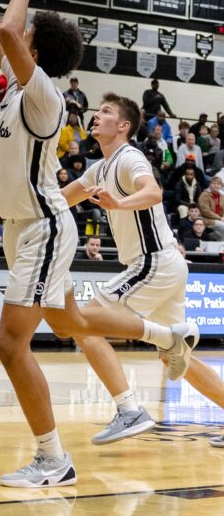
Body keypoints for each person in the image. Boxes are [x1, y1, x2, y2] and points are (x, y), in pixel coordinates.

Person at [0, 0, 197, 487]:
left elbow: (7, 33)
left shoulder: (42, 94)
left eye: (25, 40)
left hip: (43, 224)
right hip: (27, 226)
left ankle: (52, 459)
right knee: (69, 320)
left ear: (37, 51)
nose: (14, 40)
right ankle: (165, 337)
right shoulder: (18, 85)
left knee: (10, 345)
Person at [63, 93, 223, 448]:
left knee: (84, 322)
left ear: (123, 126)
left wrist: (119, 203)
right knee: (176, 360)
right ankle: (172, 341)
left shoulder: (129, 158)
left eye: (105, 112)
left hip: (153, 263)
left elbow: (153, 190)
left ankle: (130, 411)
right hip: (166, 265)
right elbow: (63, 199)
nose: (96, 115)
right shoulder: (99, 167)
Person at [197, 175, 224, 241]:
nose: (216, 185)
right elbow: (206, 211)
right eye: (214, 183)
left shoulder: (222, 196)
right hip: (207, 219)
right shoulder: (204, 195)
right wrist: (220, 218)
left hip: (220, 219)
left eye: (218, 184)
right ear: (210, 184)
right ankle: (211, 237)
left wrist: (223, 217)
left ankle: (216, 241)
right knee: (223, 226)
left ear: (221, 186)